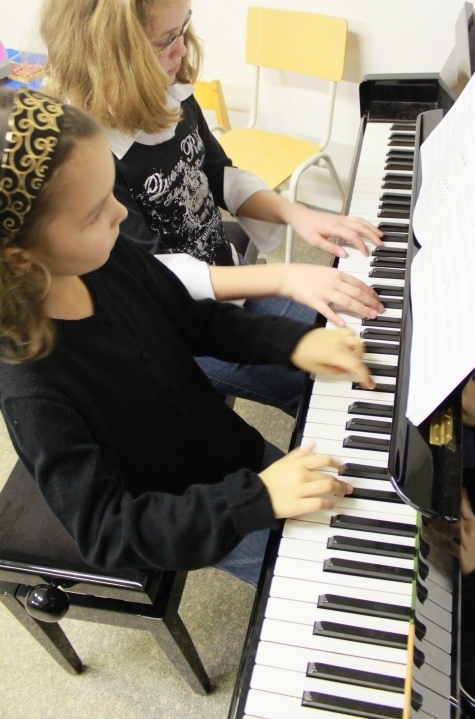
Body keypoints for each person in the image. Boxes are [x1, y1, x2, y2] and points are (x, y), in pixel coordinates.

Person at [0, 87, 375, 586]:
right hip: (196, 513)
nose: (119, 214)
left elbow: (193, 320)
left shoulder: (106, 255)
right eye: (94, 213)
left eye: (111, 192)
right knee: (330, 580)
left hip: (236, 457)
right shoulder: (30, 390)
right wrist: (255, 500)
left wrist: (293, 343)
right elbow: (108, 531)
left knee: (359, 524)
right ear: (20, 260)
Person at [39, 0, 384, 416]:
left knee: (355, 333)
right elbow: (161, 273)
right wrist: (285, 277)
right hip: (182, 329)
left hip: (230, 286)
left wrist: (297, 214)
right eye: (164, 41)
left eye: (183, 28)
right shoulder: (91, 155)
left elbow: (219, 174)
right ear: (109, 54)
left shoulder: (167, 89)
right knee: (328, 385)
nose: (181, 50)